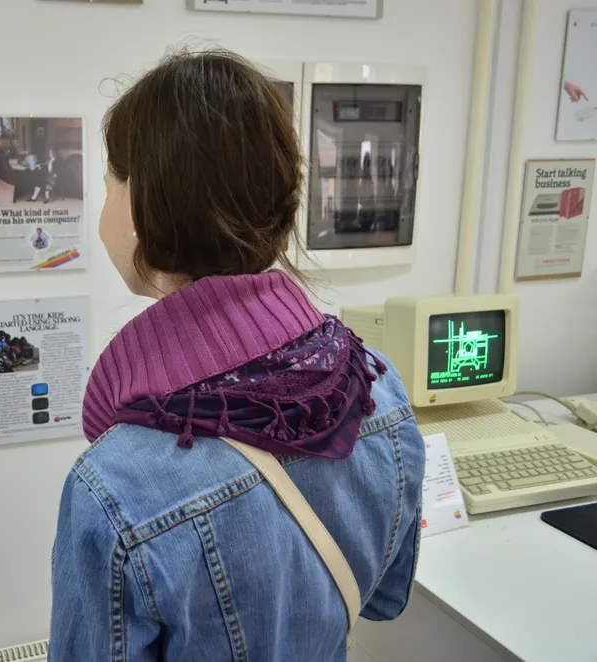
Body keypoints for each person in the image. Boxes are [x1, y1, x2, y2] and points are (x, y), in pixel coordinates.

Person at [49, 50, 425, 662]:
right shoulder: (378, 389)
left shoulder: (115, 486)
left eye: (111, 183)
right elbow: (384, 597)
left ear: (144, 204)